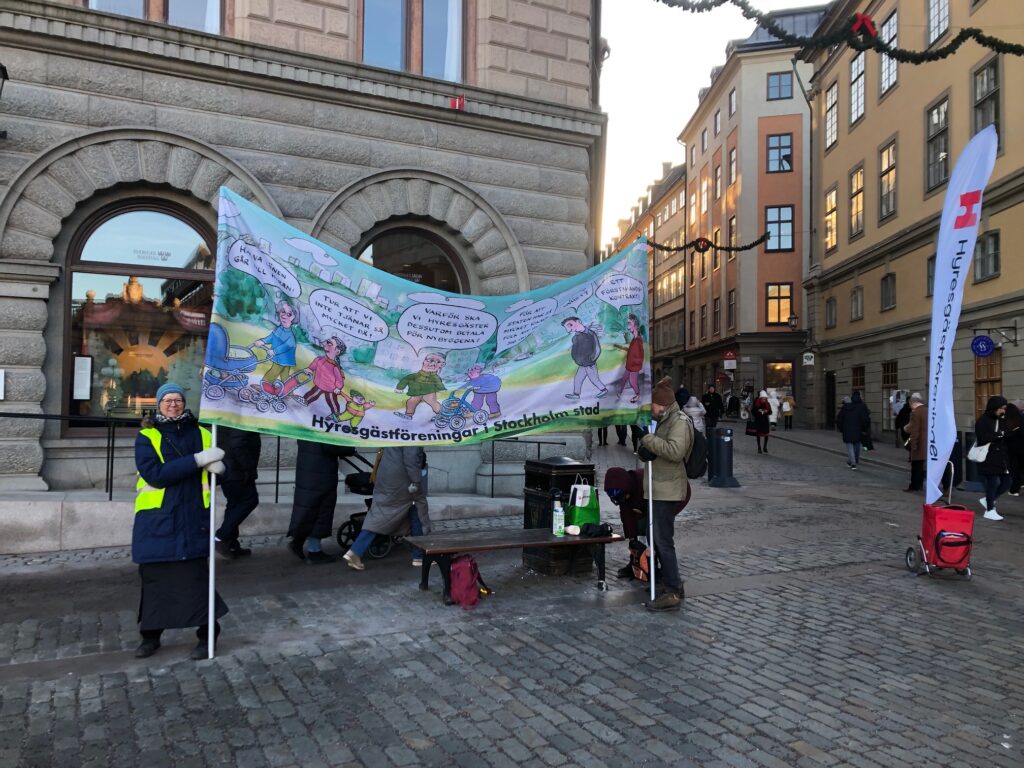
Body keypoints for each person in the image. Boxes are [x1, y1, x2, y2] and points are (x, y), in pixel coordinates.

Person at [133, 382, 229, 660]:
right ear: (159, 404)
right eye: (167, 400)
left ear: (184, 403)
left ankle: (208, 636)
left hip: (193, 518)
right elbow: (156, 474)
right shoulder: (147, 436)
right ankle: (150, 636)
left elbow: (219, 473)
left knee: (196, 583)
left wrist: (220, 469)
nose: (173, 404)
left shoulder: (203, 433)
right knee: (155, 583)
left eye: (177, 399)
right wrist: (198, 460)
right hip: (157, 523)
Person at [636, 376, 693, 612]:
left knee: (663, 541)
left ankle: (672, 591)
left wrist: (647, 439)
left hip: (667, 490)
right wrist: (644, 449)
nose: (652, 411)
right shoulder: (663, 420)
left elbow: (675, 451)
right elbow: (654, 449)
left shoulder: (679, 421)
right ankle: (672, 584)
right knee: (657, 540)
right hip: (657, 487)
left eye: (654, 407)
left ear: (664, 404)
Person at [344, 447, 430, 570]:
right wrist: (416, 481)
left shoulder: (394, 427)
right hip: (402, 479)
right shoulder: (412, 430)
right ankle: (419, 556)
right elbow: (411, 458)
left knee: (380, 515)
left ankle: (355, 551)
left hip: (386, 476)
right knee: (417, 510)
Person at [287, 440, 356, 563]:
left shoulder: (305, 421)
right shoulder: (321, 421)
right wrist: (350, 448)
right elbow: (330, 444)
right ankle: (314, 552)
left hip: (308, 467)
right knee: (321, 509)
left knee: (309, 508)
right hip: (321, 470)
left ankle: (298, 541)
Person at [214, 426, 261, 559]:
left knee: (234, 504)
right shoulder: (239, 414)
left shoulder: (227, 412)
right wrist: (247, 467)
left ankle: (231, 543)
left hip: (229, 467)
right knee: (250, 500)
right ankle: (221, 537)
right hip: (237, 469)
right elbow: (237, 443)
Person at [975, 396, 1013, 521]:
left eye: (1005, 409)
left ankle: (988, 500)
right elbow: (982, 438)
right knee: (993, 482)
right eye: (1002, 408)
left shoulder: (1001, 420)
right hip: (988, 457)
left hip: (1001, 458)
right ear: (994, 407)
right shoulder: (983, 421)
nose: (1003, 411)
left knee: (1007, 482)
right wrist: (999, 435)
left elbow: (1007, 433)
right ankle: (989, 510)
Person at [603, 466, 646, 579]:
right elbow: (626, 516)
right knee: (634, 534)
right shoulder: (622, 488)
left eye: (624, 496)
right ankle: (634, 564)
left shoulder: (642, 482)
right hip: (642, 505)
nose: (624, 499)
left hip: (674, 498)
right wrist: (632, 538)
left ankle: (654, 566)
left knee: (654, 533)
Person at [561, 316, 607, 400]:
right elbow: (574, 350)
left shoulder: (591, 334)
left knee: (594, 379)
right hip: (582, 364)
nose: (569, 329)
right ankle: (576, 394)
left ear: (578, 321)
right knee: (578, 378)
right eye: (566, 327)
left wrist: (592, 359)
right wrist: (576, 360)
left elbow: (597, 348)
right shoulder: (575, 337)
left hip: (590, 363)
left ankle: (604, 390)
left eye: (570, 325)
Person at [394, 352, 447, 420]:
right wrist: (399, 388)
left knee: (432, 402)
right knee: (411, 401)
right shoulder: (415, 376)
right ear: (424, 362)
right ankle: (408, 414)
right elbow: (406, 379)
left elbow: (439, 383)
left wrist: (442, 389)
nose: (433, 364)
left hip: (429, 392)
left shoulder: (435, 377)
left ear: (441, 365)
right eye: (430, 360)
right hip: (417, 393)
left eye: (438, 362)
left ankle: (442, 414)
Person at [613, 313, 644, 403]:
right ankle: (619, 392)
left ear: (635, 323)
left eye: (629, 323)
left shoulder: (638, 341)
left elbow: (640, 355)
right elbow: (631, 351)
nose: (627, 326)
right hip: (629, 365)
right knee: (624, 379)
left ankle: (638, 395)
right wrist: (620, 347)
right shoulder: (634, 340)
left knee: (632, 382)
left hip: (634, 366)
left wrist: (636, 363)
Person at [837, 391, 870, 470]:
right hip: (857, 430)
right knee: (856, 446)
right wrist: (864, 428)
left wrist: (841, 429)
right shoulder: (857, 407)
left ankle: (852, 462)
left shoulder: (844, 409)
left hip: (847, 430)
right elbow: (864, 418)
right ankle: (852, 461)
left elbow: (839, 420)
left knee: (850, 447)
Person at [902, 393, 926, 492]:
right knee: (922, 465)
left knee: (916, 466)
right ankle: (920, 484)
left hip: (919, 443)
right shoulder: (927, 410)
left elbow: (915, 430)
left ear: (913, 403)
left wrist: (914, 445)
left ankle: (915, 486)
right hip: (927, 442)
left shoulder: (916, 413)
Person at [1007, 401, 1024, 497]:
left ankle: (1015, 489)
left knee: (1014, 469)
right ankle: (1020, 484)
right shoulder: (1021, 418)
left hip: (1012, 450)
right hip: (1021, 448)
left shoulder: (1009, 420)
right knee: (1020, 468)